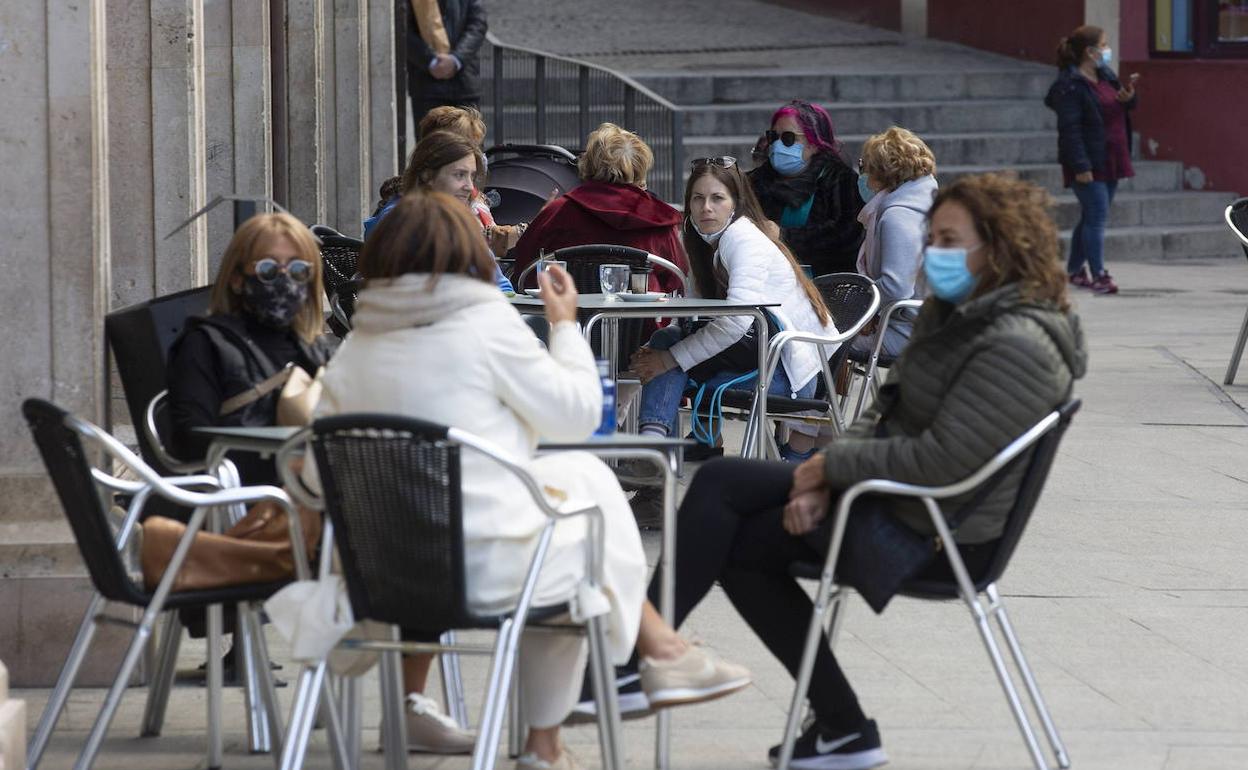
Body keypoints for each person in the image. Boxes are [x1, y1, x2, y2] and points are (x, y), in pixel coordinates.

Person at [606, 173, 1086, 769]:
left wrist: (830, 474)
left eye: (950, 241)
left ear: (1002, 247)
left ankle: (638, 664)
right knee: (726, 495)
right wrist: (829, 471)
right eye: (933, 238)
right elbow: (884, 412)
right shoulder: (963, 316)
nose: (933, 254)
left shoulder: (1016, 341)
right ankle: (833, 727)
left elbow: (942, 459)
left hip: (936, 530)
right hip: (900, 502)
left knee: (728, 505)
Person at [316, 191, 752, 769]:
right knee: (579, 534)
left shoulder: (353, 351)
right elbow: (574, 417)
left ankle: (651, 660)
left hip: (375, 574)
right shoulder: (482, 322)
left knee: (574, 489)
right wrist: (566, 328)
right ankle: (592, 705)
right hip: (480, 572)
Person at [629, 157, 839, 469]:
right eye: (697, 199)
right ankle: (659, 449)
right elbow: (694, 311)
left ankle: (654, 453)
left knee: (670, 361)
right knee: (666, 340)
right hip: (766, 360)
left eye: (717, 198)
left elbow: (735, 324)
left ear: (735, 203)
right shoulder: (706, 240)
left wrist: (668, 359)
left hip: (792, 375)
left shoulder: (743, 239)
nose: (706, 208)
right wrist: (661, 352)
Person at [167, 212, 335, 486]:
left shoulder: (315, 347)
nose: (285, 281)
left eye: (298, 270)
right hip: (248, 498)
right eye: (267, 270)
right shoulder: (205, 344)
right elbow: (192, 443)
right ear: (236, 278)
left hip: (313, 497)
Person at [509, 123, 689, 297]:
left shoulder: (557, 212)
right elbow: (677, 278)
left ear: (588, 164)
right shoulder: (658, 217)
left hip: (568, 319)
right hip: (643, 323)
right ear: (641, 169)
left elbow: (523, 271)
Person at [1045, 24, 1138, 295]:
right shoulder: (1070, 85)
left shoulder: (1105, 75)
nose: (1107, 50)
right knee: (1097, 216)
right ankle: (1099, 274)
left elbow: (1123, 105)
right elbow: (1070, 130)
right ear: (1090, 51)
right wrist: (1081, 166)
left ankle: (1075, 270)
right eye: (1104, 45)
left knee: (1091, 215)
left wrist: (1128, 98)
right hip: (1087, 161)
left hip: (1112, 157)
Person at [366, 130, 515, 293]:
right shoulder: (399, 222)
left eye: (472, 177)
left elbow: (501, 284)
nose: (470, 187)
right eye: (459, 175)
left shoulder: (461, 222)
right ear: (427, 176)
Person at [748, 100, 865, 276]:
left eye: (788, 138)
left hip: (826, 287)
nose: (777, 145)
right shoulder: (754, 182)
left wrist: (784, 236)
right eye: (773, 137)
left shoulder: (840, 179)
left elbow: (847, 237)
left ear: (814, 143)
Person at [851, 126, 938, 360]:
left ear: (882, 175)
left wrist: (860, 307)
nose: (863, 177)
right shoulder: (924, 203)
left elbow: (896, 286)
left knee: (826, 340)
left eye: (864, 168)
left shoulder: (898, 216)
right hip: (924, 325)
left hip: (910, 332)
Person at [417, 104, 527, 256]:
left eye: (477, 146)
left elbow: (490, 241)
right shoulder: (410, 219)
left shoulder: (471, 198)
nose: (475, 154)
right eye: (466, 145)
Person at [406, 0, 487, 124]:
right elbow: (403, 30)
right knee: (432, 141)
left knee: (467, 140)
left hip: (464, 84)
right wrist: (431, 61)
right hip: (426, 86)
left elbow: (477, 25)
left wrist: (456, 59)